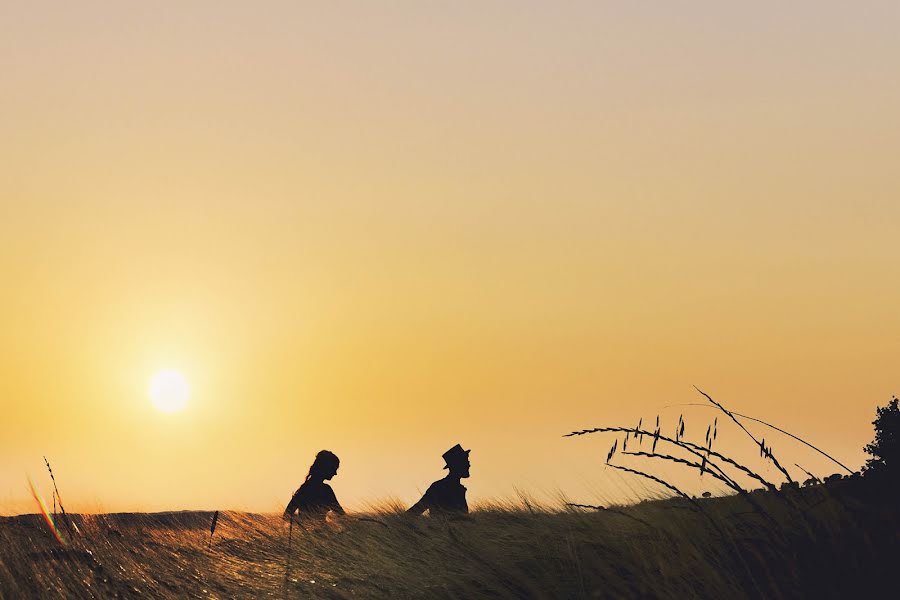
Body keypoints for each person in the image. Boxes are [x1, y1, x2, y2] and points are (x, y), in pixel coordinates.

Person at [407, 443, 470, 516]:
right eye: (465, 461)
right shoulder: (439, 487)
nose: (469, 464)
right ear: (456, 465)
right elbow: (417, 509)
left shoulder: (455, 488)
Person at [284, 450, 345, 520]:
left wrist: (303, 522)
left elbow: (286, 515)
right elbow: (341, 514)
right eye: (333, 469)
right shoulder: (325, 490)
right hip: (321, 530)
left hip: (304, 531)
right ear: (326, 468)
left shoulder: (304, 488)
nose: (335, 473)